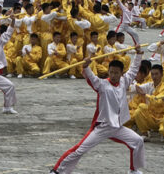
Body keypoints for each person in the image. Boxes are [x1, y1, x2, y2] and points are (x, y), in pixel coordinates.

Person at [50, 45, 145, 174]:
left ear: (121, 73)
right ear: (108, 71)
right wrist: (85, 66)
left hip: (117, 127)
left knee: (138, 141)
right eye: (111, 72)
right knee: (80, 149)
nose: (113, 75)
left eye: (116, 72)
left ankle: (133, 170)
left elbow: (133, 70)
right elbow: (91, 78)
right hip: (102, 127)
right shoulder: (102, 85)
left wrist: (138, 55)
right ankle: (57, 171)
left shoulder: (124, 81)